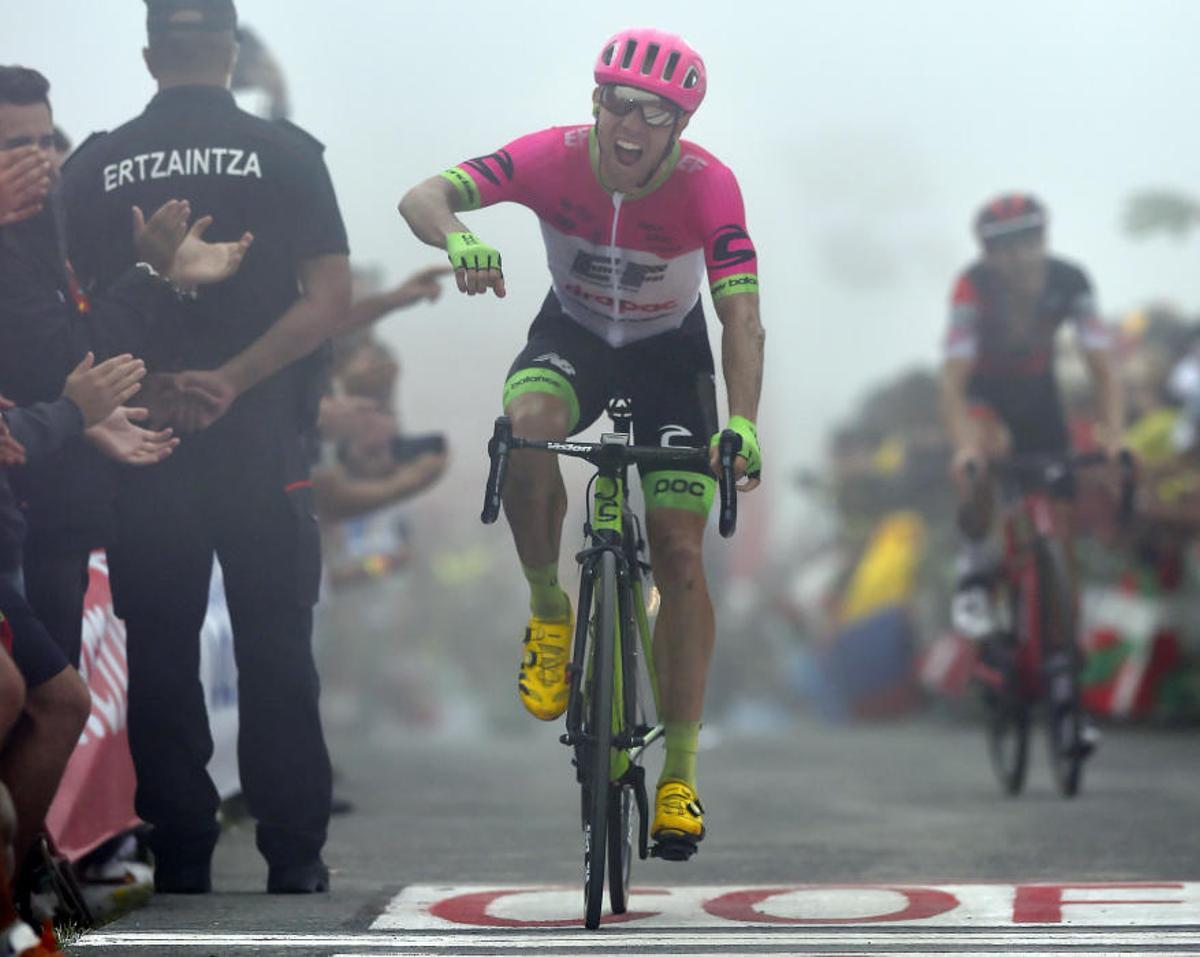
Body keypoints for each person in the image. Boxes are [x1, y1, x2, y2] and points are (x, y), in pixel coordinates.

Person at [399, 27, 764, 854]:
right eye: (617, 103)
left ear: (681, 125)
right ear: (595, 101)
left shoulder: (710, 186)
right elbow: (424, 195)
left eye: (654, 113)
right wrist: (458, 235)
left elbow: (741, 314)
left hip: (670, 356)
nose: (630, 125)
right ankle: (549, 608)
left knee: (679, 548)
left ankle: (679, 775)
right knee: (526, 433)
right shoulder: (551, 156)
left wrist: (742, 420)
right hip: (575, 335)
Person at [61, 0, 352, 894]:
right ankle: (294, 855)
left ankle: (182, 851)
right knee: (277, 645)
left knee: (159, 648)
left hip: (141, 440)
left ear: (151, 57)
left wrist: (149, 383)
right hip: (261, 440)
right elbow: (329, 298)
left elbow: (67, 309)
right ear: (230, 53)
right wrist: (232, 379)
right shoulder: (288, 153)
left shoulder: (94, 164)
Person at [0, 64, 246, 670]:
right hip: (26, 519)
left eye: (45, 142)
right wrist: (152, 274)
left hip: (57, 516)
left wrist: (168, 280)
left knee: (58, 699)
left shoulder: (46, 228)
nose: (40, 161)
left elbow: (72, 364)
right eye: (15, 147)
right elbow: (72, 357)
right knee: (46, 704)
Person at [940, 194, 1126, 721]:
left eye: (1029, 242)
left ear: (1045, 241)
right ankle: (974, 571)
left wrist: (1114, 434)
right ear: (987, 254)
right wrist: (965, 446)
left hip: (1039, 401)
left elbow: (1103, 367)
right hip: (984, 397)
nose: (1019, 257)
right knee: (982, 458)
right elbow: (953, 381)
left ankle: (1062, 648)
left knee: (1057, 520)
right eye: (1005, 248)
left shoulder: (1070, 280)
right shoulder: (971, 287)